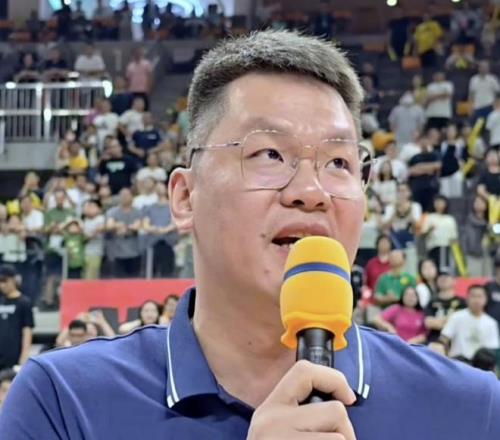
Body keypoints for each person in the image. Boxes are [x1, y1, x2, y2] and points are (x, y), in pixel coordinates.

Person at [1, 30, 499, 440]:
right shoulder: (64, 402)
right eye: (270, 155)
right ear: (185, 198)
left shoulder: (472, 411)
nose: (311, 192)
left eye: (339, 162)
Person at [440, 285, 499, 360]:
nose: (476, 300)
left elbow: (492, 348)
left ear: (486, 299)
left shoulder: (491, 323)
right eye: (473, 296)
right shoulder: (456, 316)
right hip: (457, 360)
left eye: (480, 296)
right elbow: (444, 338)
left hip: (480, 363)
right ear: (467, 298)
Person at [0, 265, 34, 371]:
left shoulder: (24, 302)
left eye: (4, 280)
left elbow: (27, 331)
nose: (2, 285)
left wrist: (24, 357)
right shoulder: (1, 301)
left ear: (13, 280)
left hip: (14, 357)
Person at [142, 182, 177, 278]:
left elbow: (175, 223)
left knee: (168, 273)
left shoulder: (173, 206)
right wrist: (154, 229)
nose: (159, 189)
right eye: (157, 188)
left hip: (169, 243)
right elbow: (145, 224)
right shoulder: (149, 208)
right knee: (151, 272)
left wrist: (164, 230)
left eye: (161, 187)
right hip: (153, 243)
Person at [106, 188, 142, 278]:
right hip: (117, 252)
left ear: (132, 197)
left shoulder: (137, 212)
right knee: (118, 280)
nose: (124, 197)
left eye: (127, 195)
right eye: (122, 195)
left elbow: (136, 226)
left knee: (134, 280)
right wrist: (120, 226)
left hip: (134, 252)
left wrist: (122, 226)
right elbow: (109, 225)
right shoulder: (112, 212)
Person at [424, 270, 466, 344]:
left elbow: (463, 324)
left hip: (457, 342)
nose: (443, 278)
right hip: (435, 341)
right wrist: (451, 321)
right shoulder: (431, 302)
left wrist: (439, 322)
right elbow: (429, 323)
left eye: (446, 276)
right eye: (440, 276)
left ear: (454, 281)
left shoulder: (462, 302)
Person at [421, 195, 459, 272]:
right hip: (433, 248)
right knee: (435, 269)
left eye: (441, 202)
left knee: (446, 270)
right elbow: (423, 233)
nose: (439, 204)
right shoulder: (429, 217)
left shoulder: (450, 219)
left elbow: (454, 237)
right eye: (437, 202)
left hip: (447, 248)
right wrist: (430, 229)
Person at [407, 134, 441, 213]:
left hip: (431, 185)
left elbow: (438, 166)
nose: (424, 143)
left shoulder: (435, 155)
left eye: (426, 141)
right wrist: (428, 170)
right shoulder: (415, 157)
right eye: (422, 141)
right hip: (417, 186)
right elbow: (411, 171)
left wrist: (419, 166)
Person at [463, 195, 492, 277]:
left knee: (488, 278)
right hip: (473, 254)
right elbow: (465, 238)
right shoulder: (469, 219)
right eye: (477, 202)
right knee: (474, 278)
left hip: (488, 254)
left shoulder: (491, 220)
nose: (479, 204)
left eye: (482, 202)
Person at [82, 199, 105, 280]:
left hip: (95, 253)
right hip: (83, 253)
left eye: (92, 207)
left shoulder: (101, 219)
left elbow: (94, 233)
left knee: (92, 278)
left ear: (99, 209)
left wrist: (88, 235)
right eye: (88, 206)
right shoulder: (84, 220)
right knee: (83, 277)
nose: (89, 209)